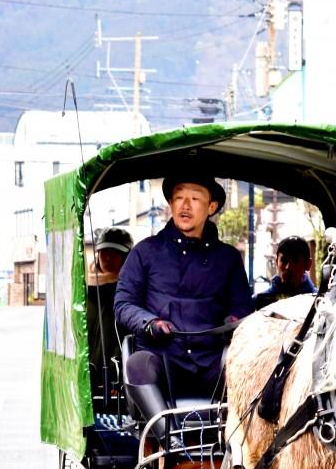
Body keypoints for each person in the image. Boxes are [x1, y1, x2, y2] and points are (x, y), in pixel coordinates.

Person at [114, 173, 252, 423]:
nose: (185, 205)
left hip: (212, 360)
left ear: (212, 207)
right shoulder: (144, 252)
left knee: (254, 365)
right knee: (136, 365)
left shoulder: (228, 258)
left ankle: (235, 437)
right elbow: (123, 305)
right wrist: (149, 323)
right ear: (171, 204)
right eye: (178, 197)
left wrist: (234, 321)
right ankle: (169, 438)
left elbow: (242, 307)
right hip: (162, 357)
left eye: (194, 198)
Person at [87, 225, 133, 378]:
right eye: (104, 252)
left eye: (115, 253)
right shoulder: (83, 289)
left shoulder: (132, 293)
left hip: (117, 378)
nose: (107, 258)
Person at [254, 236, 316, 309]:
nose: (288, 267)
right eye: (284, 261)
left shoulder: (318, 302)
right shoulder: (259, 301)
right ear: (276, 262)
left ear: (308, 264)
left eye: (295, 261)